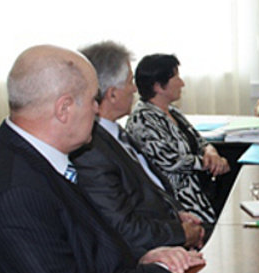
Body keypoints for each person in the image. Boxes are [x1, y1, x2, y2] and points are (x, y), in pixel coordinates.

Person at [0, 45, 204, 273]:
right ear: (64, 109)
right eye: (92, 100)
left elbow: (77, 253)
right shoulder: (16, 194)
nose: (98, 109)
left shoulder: (34, 158)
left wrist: (138, 260)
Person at [70, 41, 205, 255]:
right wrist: (180, 232)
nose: (135, 88)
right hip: (152, 253)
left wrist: (179, 213)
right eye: (130, 81)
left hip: (170, 228)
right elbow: (124, 227)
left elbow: (152, 185)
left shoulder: (116, 134)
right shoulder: (91, 152)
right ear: (112, 94)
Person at [127, 53, 230, 239]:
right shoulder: (142, 120)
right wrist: (208, 163)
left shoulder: (172, 111)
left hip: (202, 190)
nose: (182, 83)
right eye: (176, 77)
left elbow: (198, 140)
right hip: (180, 202)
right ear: (158, 86)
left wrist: (211, 151)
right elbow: (169, 160)